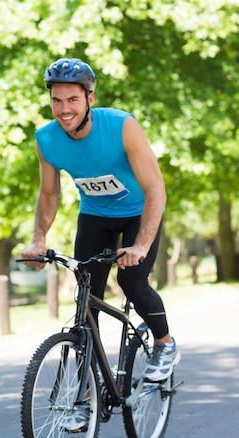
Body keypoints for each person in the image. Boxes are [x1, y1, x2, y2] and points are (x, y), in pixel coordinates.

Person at [21, 58, 180, 432]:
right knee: (84, 295)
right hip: (96, 214)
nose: (64, 109)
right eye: (57, 101)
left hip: (140, 210)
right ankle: (85, 395)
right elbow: (49, 193)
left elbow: (156, 188)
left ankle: (164, 342)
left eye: (73, 100)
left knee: (132, 281)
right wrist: (38, 240)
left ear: (90, 97)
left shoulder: (121, 126)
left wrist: (140, 245)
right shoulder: (46, 139)